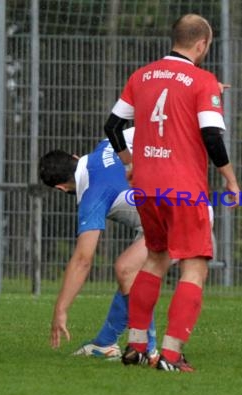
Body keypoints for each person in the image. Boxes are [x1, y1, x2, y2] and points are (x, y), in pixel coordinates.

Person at [103, 13, 240, 372]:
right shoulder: (202, 80)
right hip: (183, 190)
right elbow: (211, 136)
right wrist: (230, 179)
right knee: (194, 267)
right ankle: (172, 354)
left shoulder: (142, 75)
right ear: (202, 45)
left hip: (146, 187)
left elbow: (113, 126)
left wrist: (130, 163)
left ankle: (134, 346)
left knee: (155, 258)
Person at [39, 127, 158, 362]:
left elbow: (83, 260)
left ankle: (149, 350)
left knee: (128, 271)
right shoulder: (108, 143)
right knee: (128, 272)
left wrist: (60, 309)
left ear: (61, 188)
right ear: (75, 156)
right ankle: (105, 343)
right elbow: (152, 125)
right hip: (188, 201)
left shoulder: (91, 196)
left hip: (178, 222)